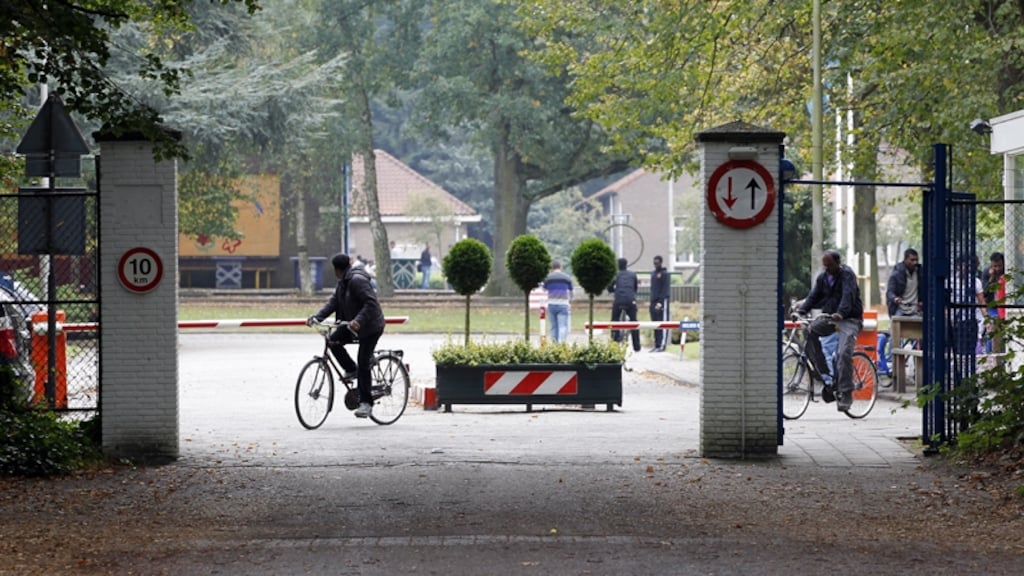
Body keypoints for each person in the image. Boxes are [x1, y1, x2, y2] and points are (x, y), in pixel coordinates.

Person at [307, 253, 385, 419]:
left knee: (363, 361)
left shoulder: (357, 281)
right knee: (333, 341)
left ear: (336, 269)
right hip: (352, 325)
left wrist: (358, 320)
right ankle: (351, 370)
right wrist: (317, 317)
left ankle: (366, 403)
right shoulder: (343, 282)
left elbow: (371, 303)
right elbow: (333, 302)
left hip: (370, 326)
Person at [795, 249, 864, 412]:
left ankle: (846, 393)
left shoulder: (847, 275)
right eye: (825, 265)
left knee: (843, 354)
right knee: (811, 332)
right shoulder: (823, 277)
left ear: (838, 263)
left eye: (830, 265)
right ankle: (825, 375)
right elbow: (814, 296)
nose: (827, 268)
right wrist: (801, 311)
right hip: (832, 318)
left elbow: (848, 296)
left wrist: (841, 313)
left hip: (850, 319)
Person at [608, 257, 641, 352]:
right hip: (630, 300)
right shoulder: (632, 274)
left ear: (618, 266)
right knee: (634, 321)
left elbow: (610, 287)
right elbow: (635, 288)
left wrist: (614, 290)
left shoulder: (616, 275)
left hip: (618, 300)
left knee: (614, 320)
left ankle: (614, 342)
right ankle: (636, 346)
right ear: (627, 265)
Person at [885, 248, 923, 319]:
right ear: (905, 260)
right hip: (900, 308)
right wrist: (895, 299)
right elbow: (890, 291)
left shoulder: (920, 273)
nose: (915, 262)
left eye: (916, 260)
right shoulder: (896, 274)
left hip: (915, 309)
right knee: (895, 326)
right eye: (912, 260)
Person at [542, 261, 573, 344]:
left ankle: (555, 345)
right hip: (563, 304)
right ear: (561, 267)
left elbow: (544, 289)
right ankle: (561, 344)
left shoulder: (548, 278)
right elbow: (571, 290)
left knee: (554, 327)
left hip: (551, 304)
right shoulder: (566, 277)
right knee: (562, 326)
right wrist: (570, 301)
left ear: (552, 268)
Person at [981, 252, 1006, 352]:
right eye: (995, 266)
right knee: (992, 329)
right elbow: (984, 293)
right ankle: (989, 353)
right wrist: (991, 279)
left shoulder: (1006, 272)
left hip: (1005, 305)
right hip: (993, 306)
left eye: (999, 265)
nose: (997, 268)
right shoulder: (987, 272)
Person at [648, 255, 670, 352]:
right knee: (655, 324)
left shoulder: (665, 274)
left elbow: (665, 289)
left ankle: (662, 345)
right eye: (654, 263)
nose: (656, 264)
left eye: (657, 263)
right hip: (653, 301)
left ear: (661, 262)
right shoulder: (653, 274)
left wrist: (660, 302)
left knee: (662, 323)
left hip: (661, 302)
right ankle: (656, 344)